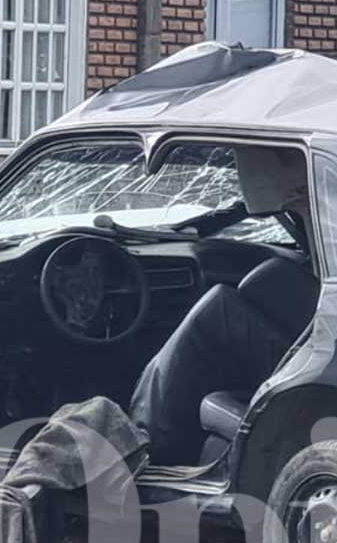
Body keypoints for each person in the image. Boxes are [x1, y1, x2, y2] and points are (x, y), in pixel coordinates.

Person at [129, 148, 319, 465]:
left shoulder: (336, 196)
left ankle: (141, 442)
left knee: (219, 309)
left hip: (328, 364)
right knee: (254, 289)